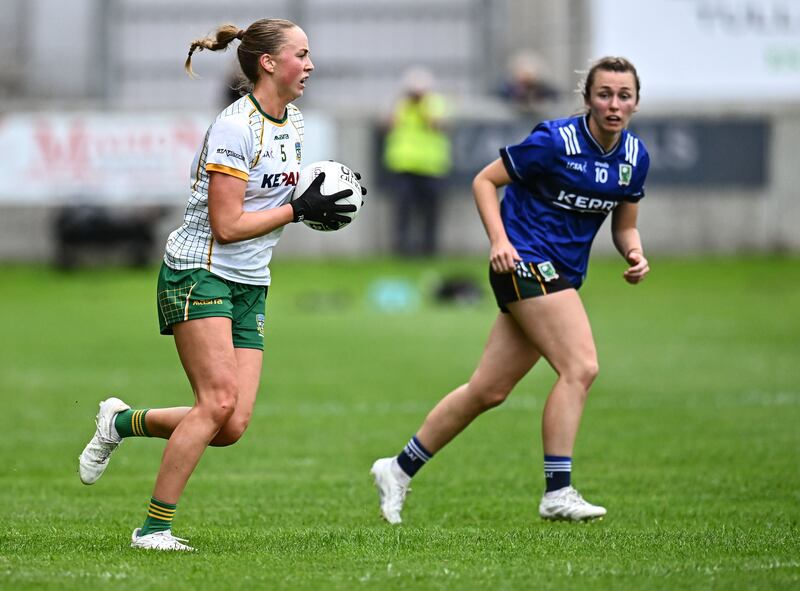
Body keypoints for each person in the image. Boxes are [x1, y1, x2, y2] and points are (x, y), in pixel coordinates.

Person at [78, 18, 364, 551]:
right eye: (302, 54)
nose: (311, 64)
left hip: (251, 280)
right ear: (269, 63)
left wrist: (321, 200)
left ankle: (120, 422)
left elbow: (275, 200)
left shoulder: (293, 122)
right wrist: (299, 211)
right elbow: (227, 226)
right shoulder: (236, 126)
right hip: (199, 270)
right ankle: (153, 529)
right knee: (215, 403)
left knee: (230, 425)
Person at [371, 56, 650, 524]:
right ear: (587, 99)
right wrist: (500, 241)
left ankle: (397, 469)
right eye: (604, 94)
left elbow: (626, 226)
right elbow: (485, 180)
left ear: (636, 102)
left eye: (624, 96)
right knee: (580, 367)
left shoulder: (634, 158)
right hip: (523, 261)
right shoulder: (554, 140)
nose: (614, 104)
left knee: (488, 390)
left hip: (559, 274)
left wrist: (635, 253)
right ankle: (557, 491)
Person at [383, 67, 451, 256]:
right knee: (402, 211)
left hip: (431, 167)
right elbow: (388, 125)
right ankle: (402, 249)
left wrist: (422, 106)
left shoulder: (435, 103)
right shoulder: (401, 104)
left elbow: (437, 124)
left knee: (430, 212)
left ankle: (429, 249)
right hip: (403, 165)